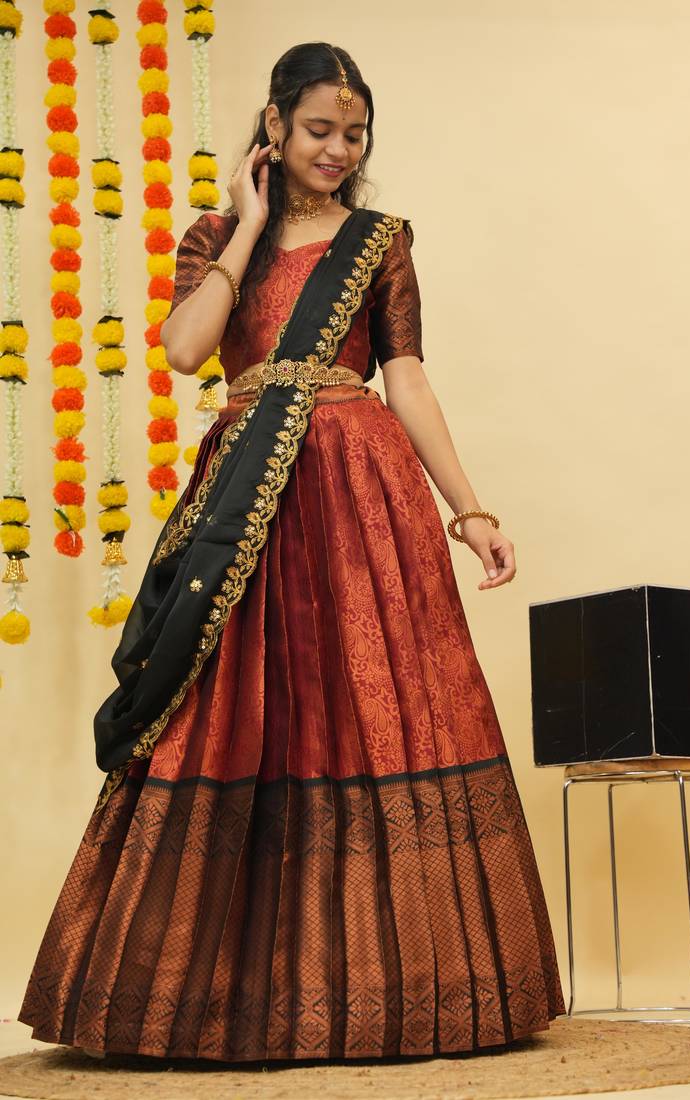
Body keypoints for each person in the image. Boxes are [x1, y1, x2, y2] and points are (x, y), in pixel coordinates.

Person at [18, 42, 565, 1062]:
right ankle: (213, 1000)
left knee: (370, 706)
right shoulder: (215, 237)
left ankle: (396, 993)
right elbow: (187, 350)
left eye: (353, 134)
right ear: (274, 125)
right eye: (318, 129)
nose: (337, 149)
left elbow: (406, 377)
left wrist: (469, 510)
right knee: (235, 714)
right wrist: (248, 222)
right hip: (246, 507)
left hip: (362, 493)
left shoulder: (378, 242)